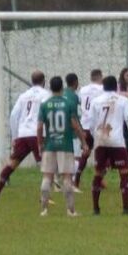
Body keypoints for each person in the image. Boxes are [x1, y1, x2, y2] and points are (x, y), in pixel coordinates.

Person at [0, 71, 51, 203]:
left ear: (32, 80)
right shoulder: (46, 95)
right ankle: (44, 198)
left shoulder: (23, 95)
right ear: (44, 81)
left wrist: (15, 136)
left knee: (12, 164)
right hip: (37, 134)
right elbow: (48, 113)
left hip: (23, 134)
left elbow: (13, 115)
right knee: (47, 166)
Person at [37, 76, 90, 217]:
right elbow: (75, 125)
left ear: (50, 87)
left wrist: (40, 143)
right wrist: (83, 142)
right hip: (65, 145)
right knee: (67, 178)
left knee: (47, 177)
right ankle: (70, 210)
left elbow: (39, 127)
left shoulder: (44, 105)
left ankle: (43, 209)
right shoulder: (68, 104)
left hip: (49, 145)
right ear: (62, 88)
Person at [90, 76, 128, 215]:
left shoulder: (96, 101)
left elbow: (91, 124)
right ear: (115, 87)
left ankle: (95, 208)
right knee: (124, 173)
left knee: (98, 173)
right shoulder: (123, 100)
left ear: (103, 87)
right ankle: (126, 207)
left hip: (101, 140)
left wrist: (96, 140)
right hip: (117, 141)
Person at [74, 69, 103, 189]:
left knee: (85, 154)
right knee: (103, 153)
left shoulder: (83, 89)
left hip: (84, 125)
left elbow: (81, 104)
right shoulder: (102, 89)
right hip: (96, 125)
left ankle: (77, 179)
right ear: (100, 77)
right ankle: (98, 180)